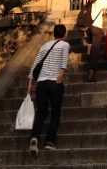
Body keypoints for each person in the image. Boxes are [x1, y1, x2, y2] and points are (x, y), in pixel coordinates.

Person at [26, 24, 70, 157]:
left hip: (41, 83)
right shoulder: (64, 45)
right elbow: (64, 64)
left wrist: (30, 84)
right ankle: (49, 142)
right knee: (55, 113)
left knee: (41, 112)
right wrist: (60, 77)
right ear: (64, 34)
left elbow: (35, 65)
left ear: (53, 34)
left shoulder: (44, 46)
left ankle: (34, 137)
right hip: (54, 82)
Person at [86, 0, 107, 83]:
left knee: (93, 48)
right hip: (97, 25)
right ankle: (91, 73)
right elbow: (105, 13)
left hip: (89, 25)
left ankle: (90, 67)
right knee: (96, 50)